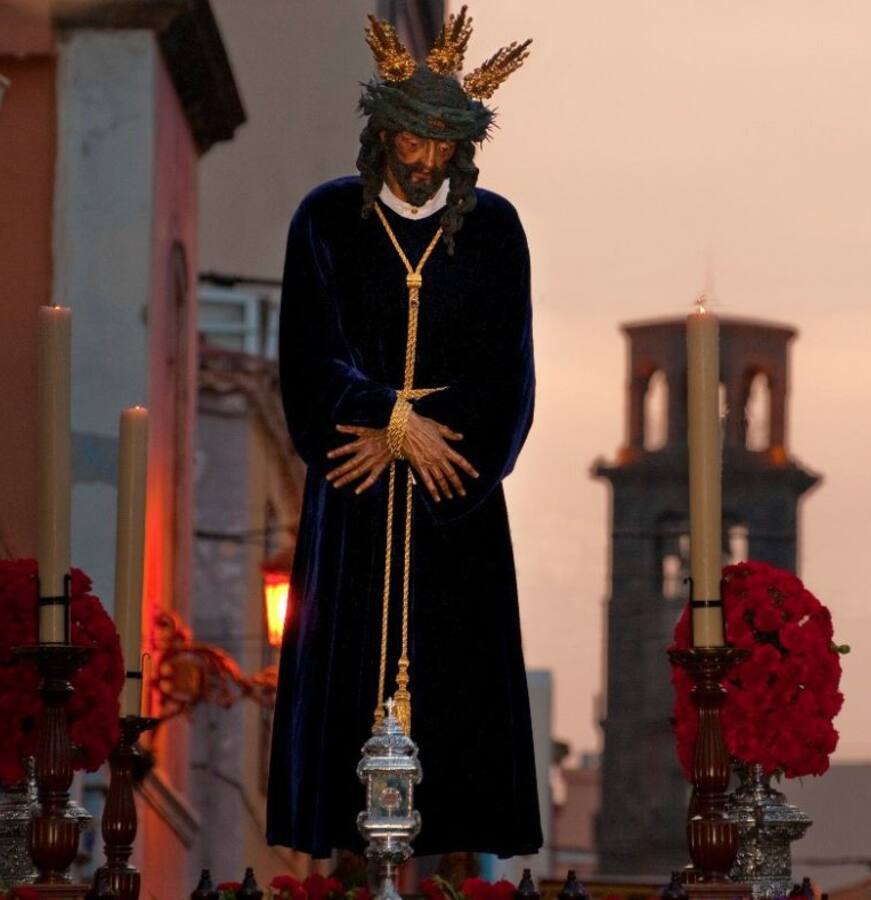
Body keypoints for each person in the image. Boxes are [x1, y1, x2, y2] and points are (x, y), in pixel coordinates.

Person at [266, 9, 542, 860]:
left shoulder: (495, 232)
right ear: (381, 134)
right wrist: (391, 418)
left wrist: (433, 442)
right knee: (344, 726)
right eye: (410, 144)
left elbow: (509, 382)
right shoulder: (323, 222)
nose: (423, 166)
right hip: (351, 515)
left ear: (463, 148)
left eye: (442, 149)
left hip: (456, 506)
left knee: (458, 734)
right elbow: (308, 362)